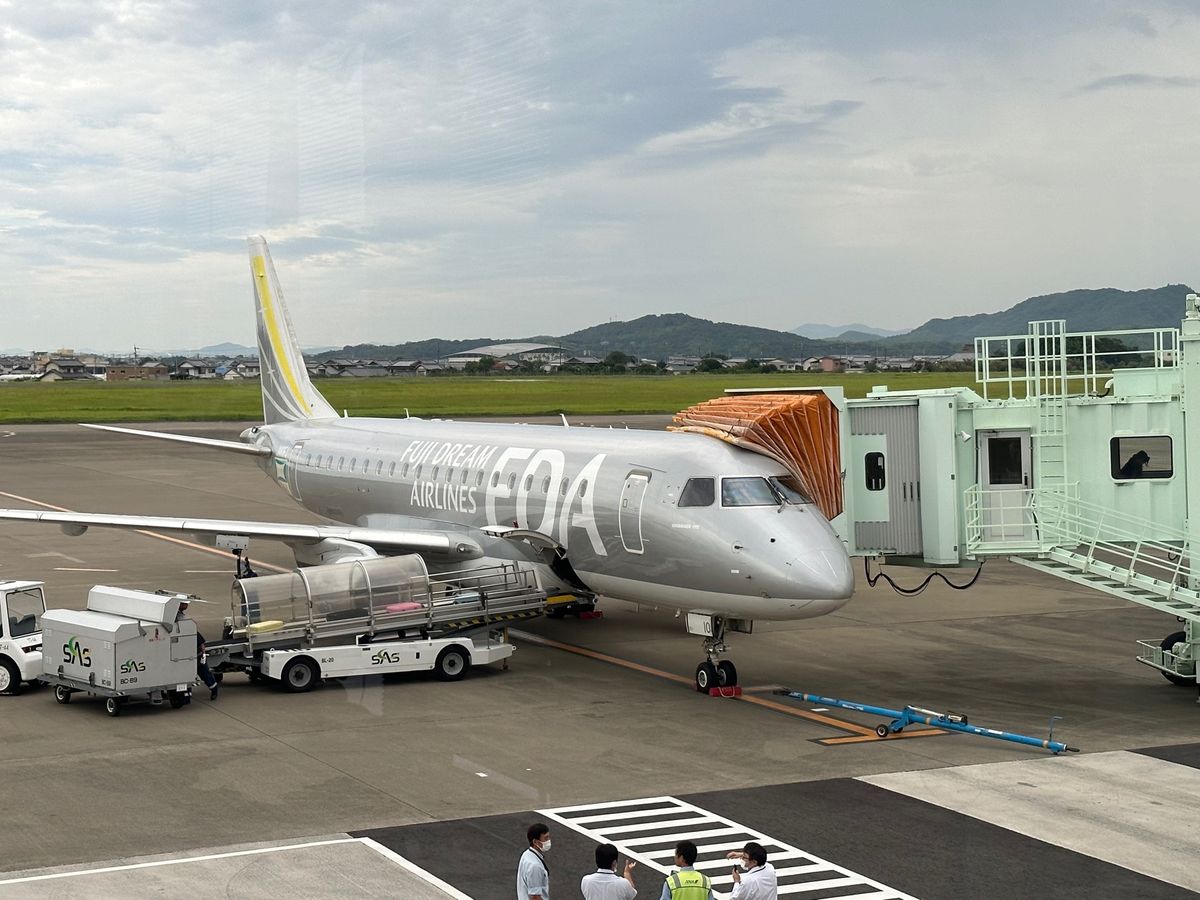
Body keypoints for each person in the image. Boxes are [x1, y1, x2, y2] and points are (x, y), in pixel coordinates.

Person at [179, 600, 218, 701]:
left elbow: (201, 644)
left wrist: (203, 656)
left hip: (197, 656)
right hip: (187, 658)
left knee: (205, 674)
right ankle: (186, 697)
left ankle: (214, 690)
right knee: (186, 677)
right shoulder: (183, 626)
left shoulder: (191, 632)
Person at [517, 822, 551, 900]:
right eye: (546, 838)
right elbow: (535, 896)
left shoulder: (526, 854)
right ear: (535, 842)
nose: (548, 841)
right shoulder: (535, 866)